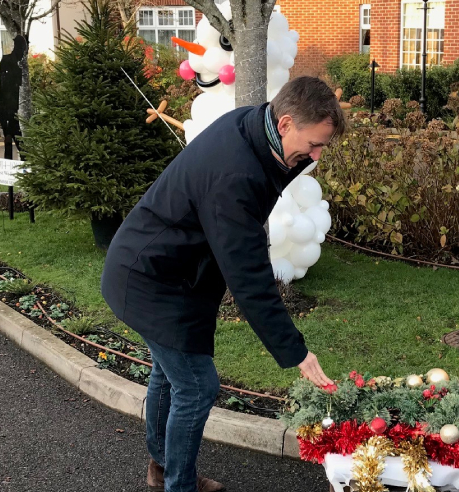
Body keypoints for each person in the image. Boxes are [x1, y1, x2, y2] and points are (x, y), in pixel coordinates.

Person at [101, 76, 346, 492]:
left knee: (169, 372)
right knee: (198, 386)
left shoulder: (253, 126)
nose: (317, 155)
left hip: (174, 269)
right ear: (285, 123)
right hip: (149, 279)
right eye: (315, 143)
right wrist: (296, 352)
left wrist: (299, 158)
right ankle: (179, 485)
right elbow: (249, 278)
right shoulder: (236, 174)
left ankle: (161, 468)